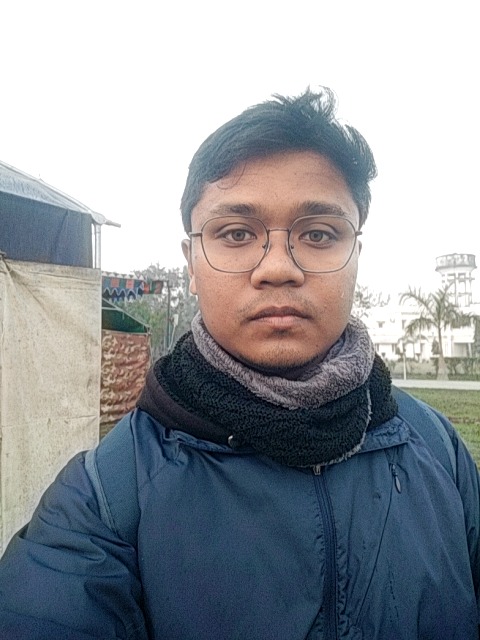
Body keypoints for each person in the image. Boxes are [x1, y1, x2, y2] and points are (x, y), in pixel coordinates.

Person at [0, 88, 479, 640]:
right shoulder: (105, 497)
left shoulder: (436, 449)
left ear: (356, 255)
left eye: (318, 234)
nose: (278, 268)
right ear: (192, 264)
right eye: (236, 234)